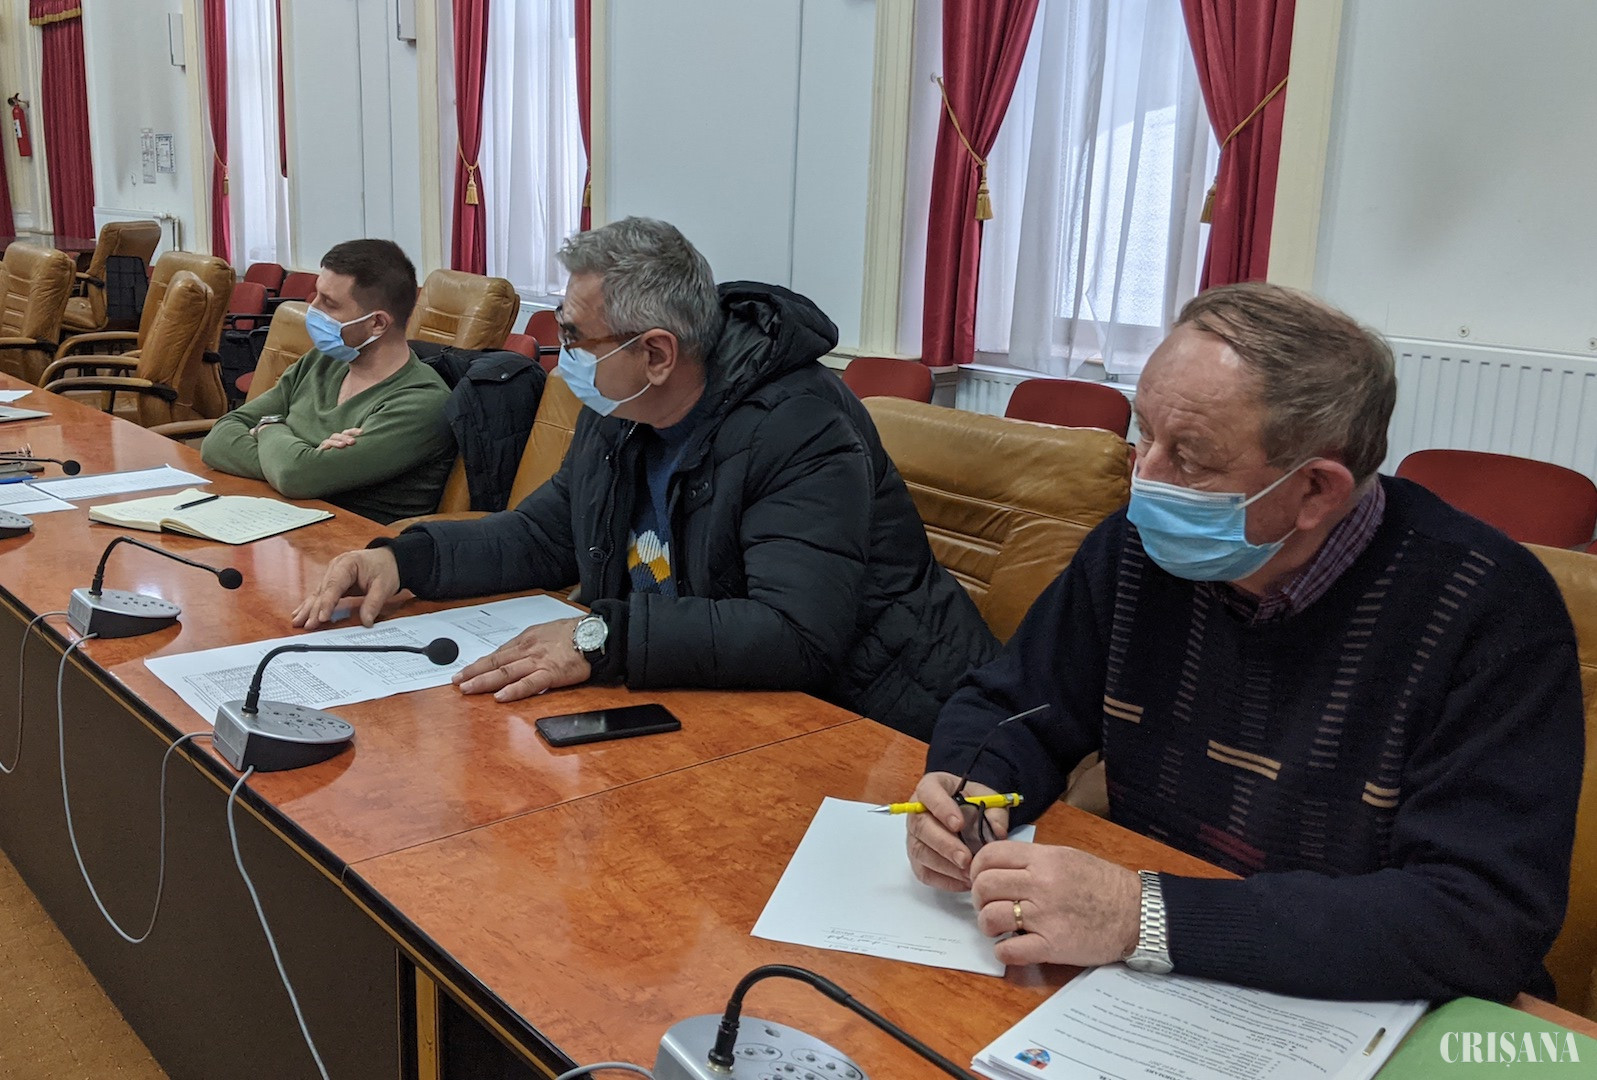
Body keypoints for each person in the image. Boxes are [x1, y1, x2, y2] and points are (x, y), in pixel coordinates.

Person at [906, 283, 1584, 1003]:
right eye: (1144, 433)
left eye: (1191, 458)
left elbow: (1479, 916)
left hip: (1362, 1001)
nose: (1144, 481)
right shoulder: (1134, 552)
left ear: (1316, 490)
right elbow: (1012, 703)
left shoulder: (1488, 607)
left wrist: (1144, 917)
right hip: (1150, 978)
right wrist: (974, 787)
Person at [291, 217, 999, 737]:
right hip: (714, 699)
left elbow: (794, 633)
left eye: (575, 337)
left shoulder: (798, 426)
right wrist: (404, 559)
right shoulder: (620, 408)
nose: (561, 353)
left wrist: (600, 638)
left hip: (878, 723)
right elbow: (546, 535)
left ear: (656, 353)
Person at [202, 239, 454, 524]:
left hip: (351, 543)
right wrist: (301, 457)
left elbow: (296, 476)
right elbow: (218, 441)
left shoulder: (422, 402)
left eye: (329, 303)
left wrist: (268, 427)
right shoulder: (321, 362)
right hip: (273, 523)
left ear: (377, 323)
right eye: (316, 296)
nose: (313, 308)